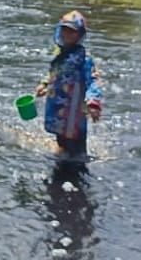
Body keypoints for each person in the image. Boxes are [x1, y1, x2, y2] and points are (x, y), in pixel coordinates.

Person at [35, 10, 103, 162]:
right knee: (62, 144)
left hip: (75, 115)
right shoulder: (60, 55)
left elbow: (93, 82)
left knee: (77, 153)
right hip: (59, 112)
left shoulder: (84, 60)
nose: (68, 35)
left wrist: (93, 103)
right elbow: (54, 73)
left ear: (80, 35)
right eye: (65, 30)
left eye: (73, 32)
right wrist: (45, 84)